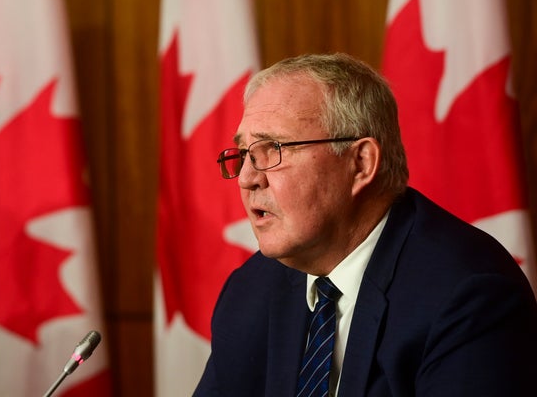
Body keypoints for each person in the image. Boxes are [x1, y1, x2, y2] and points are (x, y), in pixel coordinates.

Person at [193, 53, 537, 396]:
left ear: (360, 163)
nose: (247, 178)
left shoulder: (469, 296)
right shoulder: (250, 290)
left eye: (272, 150)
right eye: (244, 154)